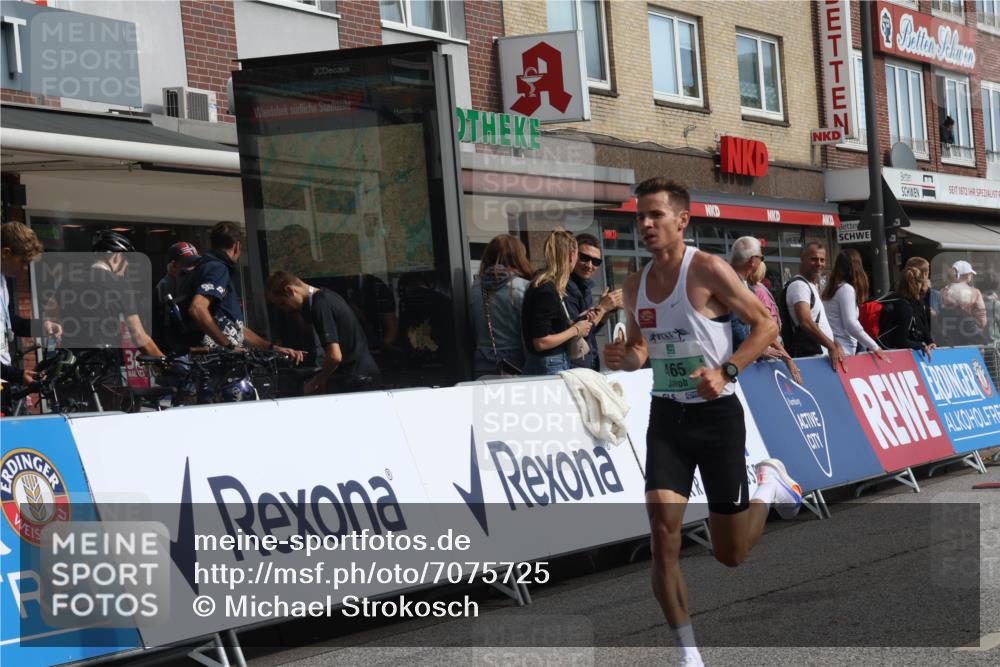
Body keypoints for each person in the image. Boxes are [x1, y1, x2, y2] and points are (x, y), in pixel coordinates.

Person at [603, 178, 802, 667]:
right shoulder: (635, 283)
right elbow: (640, 353)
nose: (646, 225)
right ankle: (689, 655)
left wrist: (727, 370)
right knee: (662, 534)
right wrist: (622, 357)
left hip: (717, 418)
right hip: (667, 416)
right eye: (640, 217)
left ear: (682, 220)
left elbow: (766, 325)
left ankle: (770, 485)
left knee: (730, 553)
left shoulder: (708, 269)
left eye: (656, 215)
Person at [187, 221, 303, 362]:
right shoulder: (218, 269)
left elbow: (237, 329)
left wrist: (273, 348)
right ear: (237, 246)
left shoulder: (203, 268)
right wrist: (228, 346)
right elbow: (197, 308)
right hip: (216, 363)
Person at [266, 270, 379, 394]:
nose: (285, 309)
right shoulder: (326, 297)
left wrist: (315, 383)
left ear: (290, 290)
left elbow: (335, 356)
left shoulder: (320, 304)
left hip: (356, 379)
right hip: (359, 374)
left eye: (283, 304)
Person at [1, 223, 62, 405]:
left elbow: (9, 321)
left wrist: (42, 326)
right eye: (23, 262)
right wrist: (17, 375)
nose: (25, 269)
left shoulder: (3, 280)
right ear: (5, 253)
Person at [729, 237, 801, 384]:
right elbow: (734, 325)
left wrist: (786, 358)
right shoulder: (731, 284)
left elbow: (763, 327)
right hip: (732, 365)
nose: (762, 262)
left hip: (742, 363)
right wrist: (758, 349)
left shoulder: (748, 288)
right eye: (761, 257)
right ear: (752, 260)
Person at [521, 230, 594, 375]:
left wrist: (577, 322)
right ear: (571, 256)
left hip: (549, 362)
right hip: (550, 364)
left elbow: (548, 329)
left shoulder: (545, 285)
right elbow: (541, 342)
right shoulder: (547, 290)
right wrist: (576, 330)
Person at [469, 234, 532, 377]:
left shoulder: (475, 287)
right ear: (518, 257)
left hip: (482, 363)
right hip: (515, 364)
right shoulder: (524, 287)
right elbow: (527, 334)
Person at [779, 242, 846, 371]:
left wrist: (834, 342)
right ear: (802, 258)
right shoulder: (799, 286)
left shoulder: (810, 285)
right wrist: (831, 345)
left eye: (822, 260)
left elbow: (818, 321)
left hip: (821, 355)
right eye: (814, 259)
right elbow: (806, 322)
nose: (819, 263)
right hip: (811, 357)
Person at [564, 233, 624, 370]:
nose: (590, 265)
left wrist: (608, 310)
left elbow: (592, 329)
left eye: (596, 262)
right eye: (584, 258)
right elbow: (575, 333)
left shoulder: (585, 286)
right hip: (573, 366)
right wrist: (602, 307)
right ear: (572, 256)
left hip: (588, 363)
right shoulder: (565, 287)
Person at [821, 248, 887, 358]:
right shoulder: (846, 289)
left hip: (835, 348)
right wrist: (874, 346)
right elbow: (851, 323)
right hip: (844, 350)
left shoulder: (831, 290)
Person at [880, 262, 936, 358]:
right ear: (918, 284)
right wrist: (921, 345)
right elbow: (900, 341)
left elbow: (923, 325)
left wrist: (929, 341)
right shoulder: (904, 307)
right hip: (892, 355)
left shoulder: (916, 302)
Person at [154, 241, 202, 354]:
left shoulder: (194, 281)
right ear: (174, 265)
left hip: (195, 346)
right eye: (188, 263)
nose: (193, 267)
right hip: (177, 350)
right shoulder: (163, 287)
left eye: (195, 262)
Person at [937, 260, 987, 344]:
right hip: (969, 336)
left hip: (947, 337)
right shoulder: (975, 292)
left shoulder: (943, 291)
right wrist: (975, 326)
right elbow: (981, 319)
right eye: (970, 273)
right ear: (967, 275)